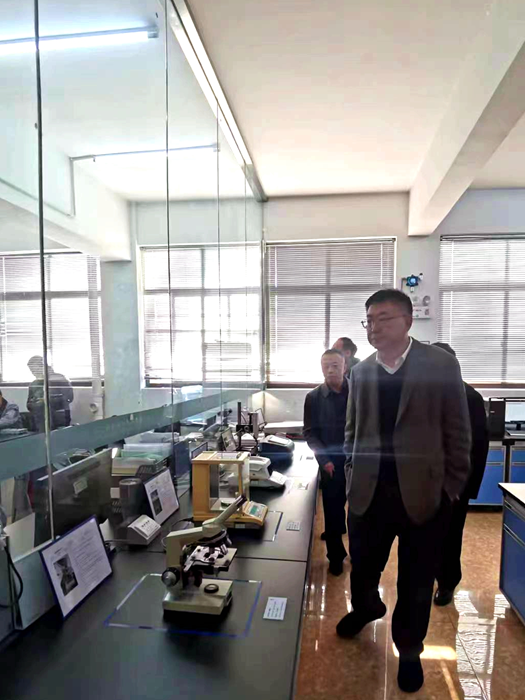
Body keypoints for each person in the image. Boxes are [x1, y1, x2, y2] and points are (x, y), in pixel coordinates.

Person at [336, 289, 470, 694]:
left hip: (424, 496)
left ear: (408, 321)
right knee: (363, 567)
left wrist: (451, 488)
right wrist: (351, 475)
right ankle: (367, 608)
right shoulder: (360, 372)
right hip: (369, 495)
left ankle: (409, 650)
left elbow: (458, 430)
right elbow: (352, 431)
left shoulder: (440, 364)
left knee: (416, 580)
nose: (374, 327)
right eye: (369, 320)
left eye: (384, 318)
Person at [432, 342, 489, 606]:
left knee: (451, 534)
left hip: (456, 483)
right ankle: (430, 574)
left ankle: (447, 582)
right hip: (426, 481)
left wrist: (468, 487)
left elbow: (479, 446)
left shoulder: (470, 397)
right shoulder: (425, 393)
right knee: (427, 533)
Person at [303, 349, 348, 575]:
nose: (330, 370)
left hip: (359, 461)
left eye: (335, 365)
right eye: (326, 365)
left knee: (360, 513)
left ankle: (360, 554)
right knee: (332, 511)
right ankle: (336, 556)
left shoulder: (359, 393)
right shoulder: (313, 398)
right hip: (331, 463)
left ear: (345, 367)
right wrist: (324, 460)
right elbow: (310, 433)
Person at [27, 356, 74, 432]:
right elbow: (28, 404)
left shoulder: (58, 378)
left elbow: (69, 397)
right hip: (39, 417)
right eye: (32, 371)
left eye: (36, 370)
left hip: (58, 414)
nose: (34, 373)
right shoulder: (34, 384)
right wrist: (35, 403)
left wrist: (46, 400)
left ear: (44, 366)